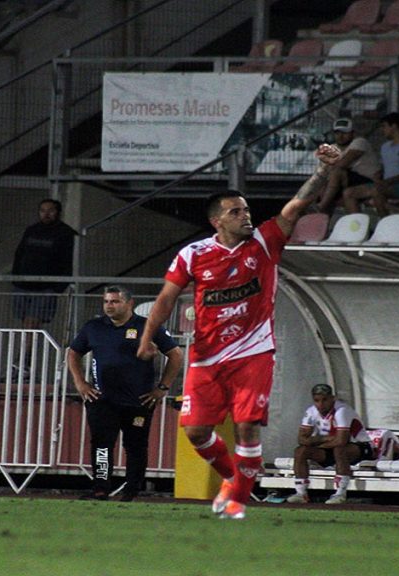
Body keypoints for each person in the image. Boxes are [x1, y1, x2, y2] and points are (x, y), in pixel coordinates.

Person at [135, 147, 329, 519]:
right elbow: (165, 298)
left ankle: (237, 500)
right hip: (207, 357)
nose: (245, 216)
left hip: (253, 353)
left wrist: (322, 169)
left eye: (247, 210)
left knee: (246, 426)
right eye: (235, 212)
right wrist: (147, 337)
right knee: (195, 432)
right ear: (216, 221)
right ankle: (234, 479)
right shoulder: (193, 255)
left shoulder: (264, 242)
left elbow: (296, 206)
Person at [67, 285, 182, 501]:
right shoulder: (94, 327)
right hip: (101, 399)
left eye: (115, 301)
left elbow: (175, 355)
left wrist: (162, 388)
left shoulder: (147, 326)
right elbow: (73, 352)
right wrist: (81, 384)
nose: (109, 306)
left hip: (138, 400)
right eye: (106, 302)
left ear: (129, 303)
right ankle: (101, 489)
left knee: (136, 446)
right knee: (102, 444)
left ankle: (132, 490)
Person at [286, 383, 374, 505]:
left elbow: (341, 440)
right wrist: (325, 439)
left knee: (339, 449)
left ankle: (340, 493)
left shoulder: (341, 410)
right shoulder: (311, 411)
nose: (321, 404)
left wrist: (316, 442)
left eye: (325, 400)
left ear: (332, 398)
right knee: (300, 451)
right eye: (317, 400)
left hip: (360, 447)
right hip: (331, 448)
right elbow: (301, 439)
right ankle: (301, 493)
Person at [11, 198, 76, 331]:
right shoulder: (32, 230)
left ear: (57, 212)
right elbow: (19, 253)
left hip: (46, 286)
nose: (46, 214)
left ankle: (26, 351)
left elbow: (68, 260)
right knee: (25, 319)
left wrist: (59, 286)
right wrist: (16, 277)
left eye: (50, 210)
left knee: (33, 321)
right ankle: (26, 349)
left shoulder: (65, 233)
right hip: (24, 284)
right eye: (43, 211)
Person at [341, 112, 399, 216]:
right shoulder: (385, 147)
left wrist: (389, 181)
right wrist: (378, 175)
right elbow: (386, 167)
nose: (382, 130)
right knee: (348, 193)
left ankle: (385, 223)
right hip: (386, 184)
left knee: (376, 191)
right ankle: (357, 225)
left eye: (384, 126)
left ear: (394, 126)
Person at [313, 117, 382, 215]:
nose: (340, 136)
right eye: (337, 133)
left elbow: (342, 164)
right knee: (323, 186)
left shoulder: (360, 142)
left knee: (337, 172)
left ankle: (321, 206)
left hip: (368, 180)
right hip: (348, 181)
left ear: (352, 133)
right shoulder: (333, 148)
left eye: (344, 133)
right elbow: (323, 172)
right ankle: (323, 221)